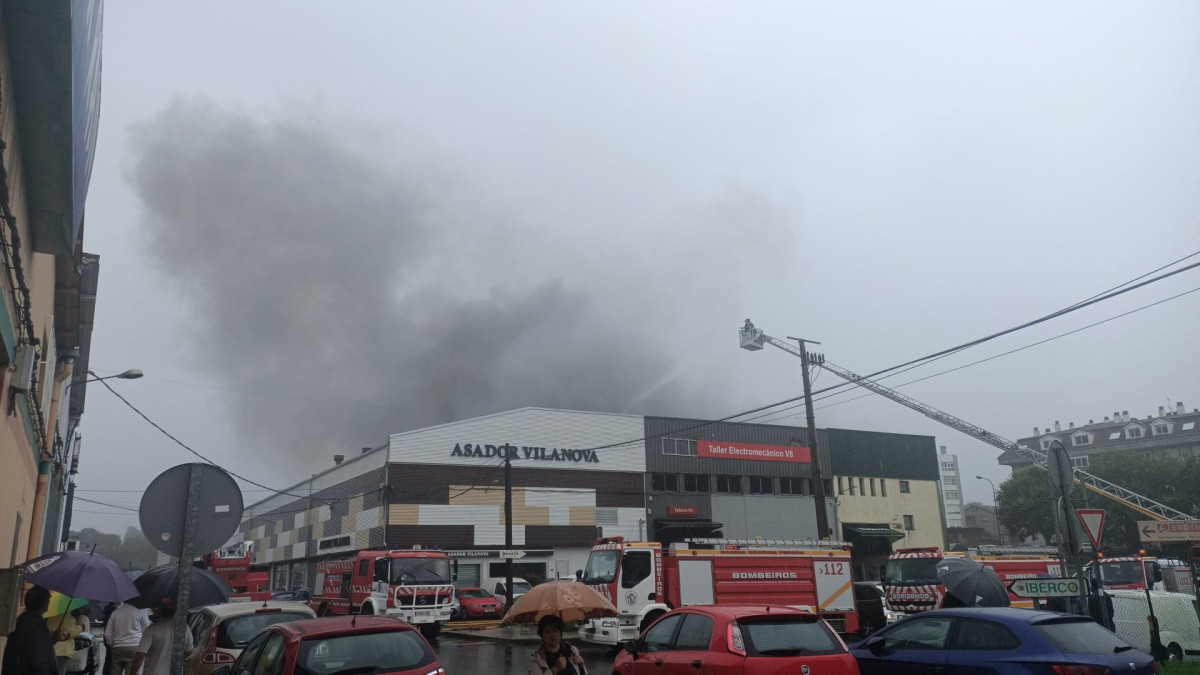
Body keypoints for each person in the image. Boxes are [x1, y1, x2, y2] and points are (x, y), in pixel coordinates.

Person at [3, 585, 59, 675]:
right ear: (43, 602)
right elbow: (38, 659)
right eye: (48, 600)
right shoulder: (37, 625)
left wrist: (51, 640)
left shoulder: (21, 620)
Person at [129, 608, 192, 675]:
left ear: (158, 612)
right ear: (175, 612)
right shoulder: (185, 628)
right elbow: (189, 652)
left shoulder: (152, 629)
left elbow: (140, 655)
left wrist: (132, 673)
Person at [104, 602, 152, 675]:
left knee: (115, 672)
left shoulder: (115, 612)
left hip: (117, 648)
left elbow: (107, 634)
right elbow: (147, 630)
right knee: (132, 672)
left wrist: (112, 645)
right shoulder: (141, 611)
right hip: (135, 647)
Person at [53, 606, 90, 675]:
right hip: (62, 651)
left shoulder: (51, 616)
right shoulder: (67, 618)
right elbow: (70, 633)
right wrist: (80, 627)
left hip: (51, 649)